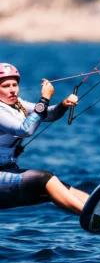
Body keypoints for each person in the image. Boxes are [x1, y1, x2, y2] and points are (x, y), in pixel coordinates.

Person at [0, 62, 89, 214]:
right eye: (6, 86)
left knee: (60, 188)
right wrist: (44, 99)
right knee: (45, 178)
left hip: (7, 174)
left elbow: (46, 114)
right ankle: (93, 216)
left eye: (14, 85)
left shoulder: (18, 104)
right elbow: (25, 129)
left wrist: (63, 105)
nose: (12, 90)